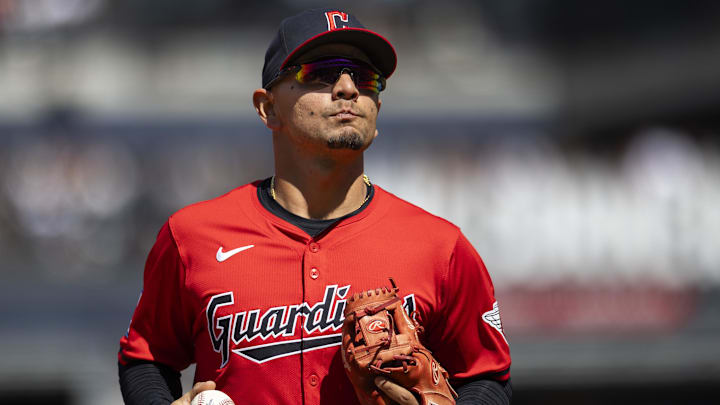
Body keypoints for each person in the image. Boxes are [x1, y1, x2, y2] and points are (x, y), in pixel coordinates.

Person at [118, 8, 511, 405]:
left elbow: (488, 377)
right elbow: (145, 358)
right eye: (321, 73)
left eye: (365, 78)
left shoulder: (439, 246)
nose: (347, 88)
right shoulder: (193, 237)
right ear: (268, 108)